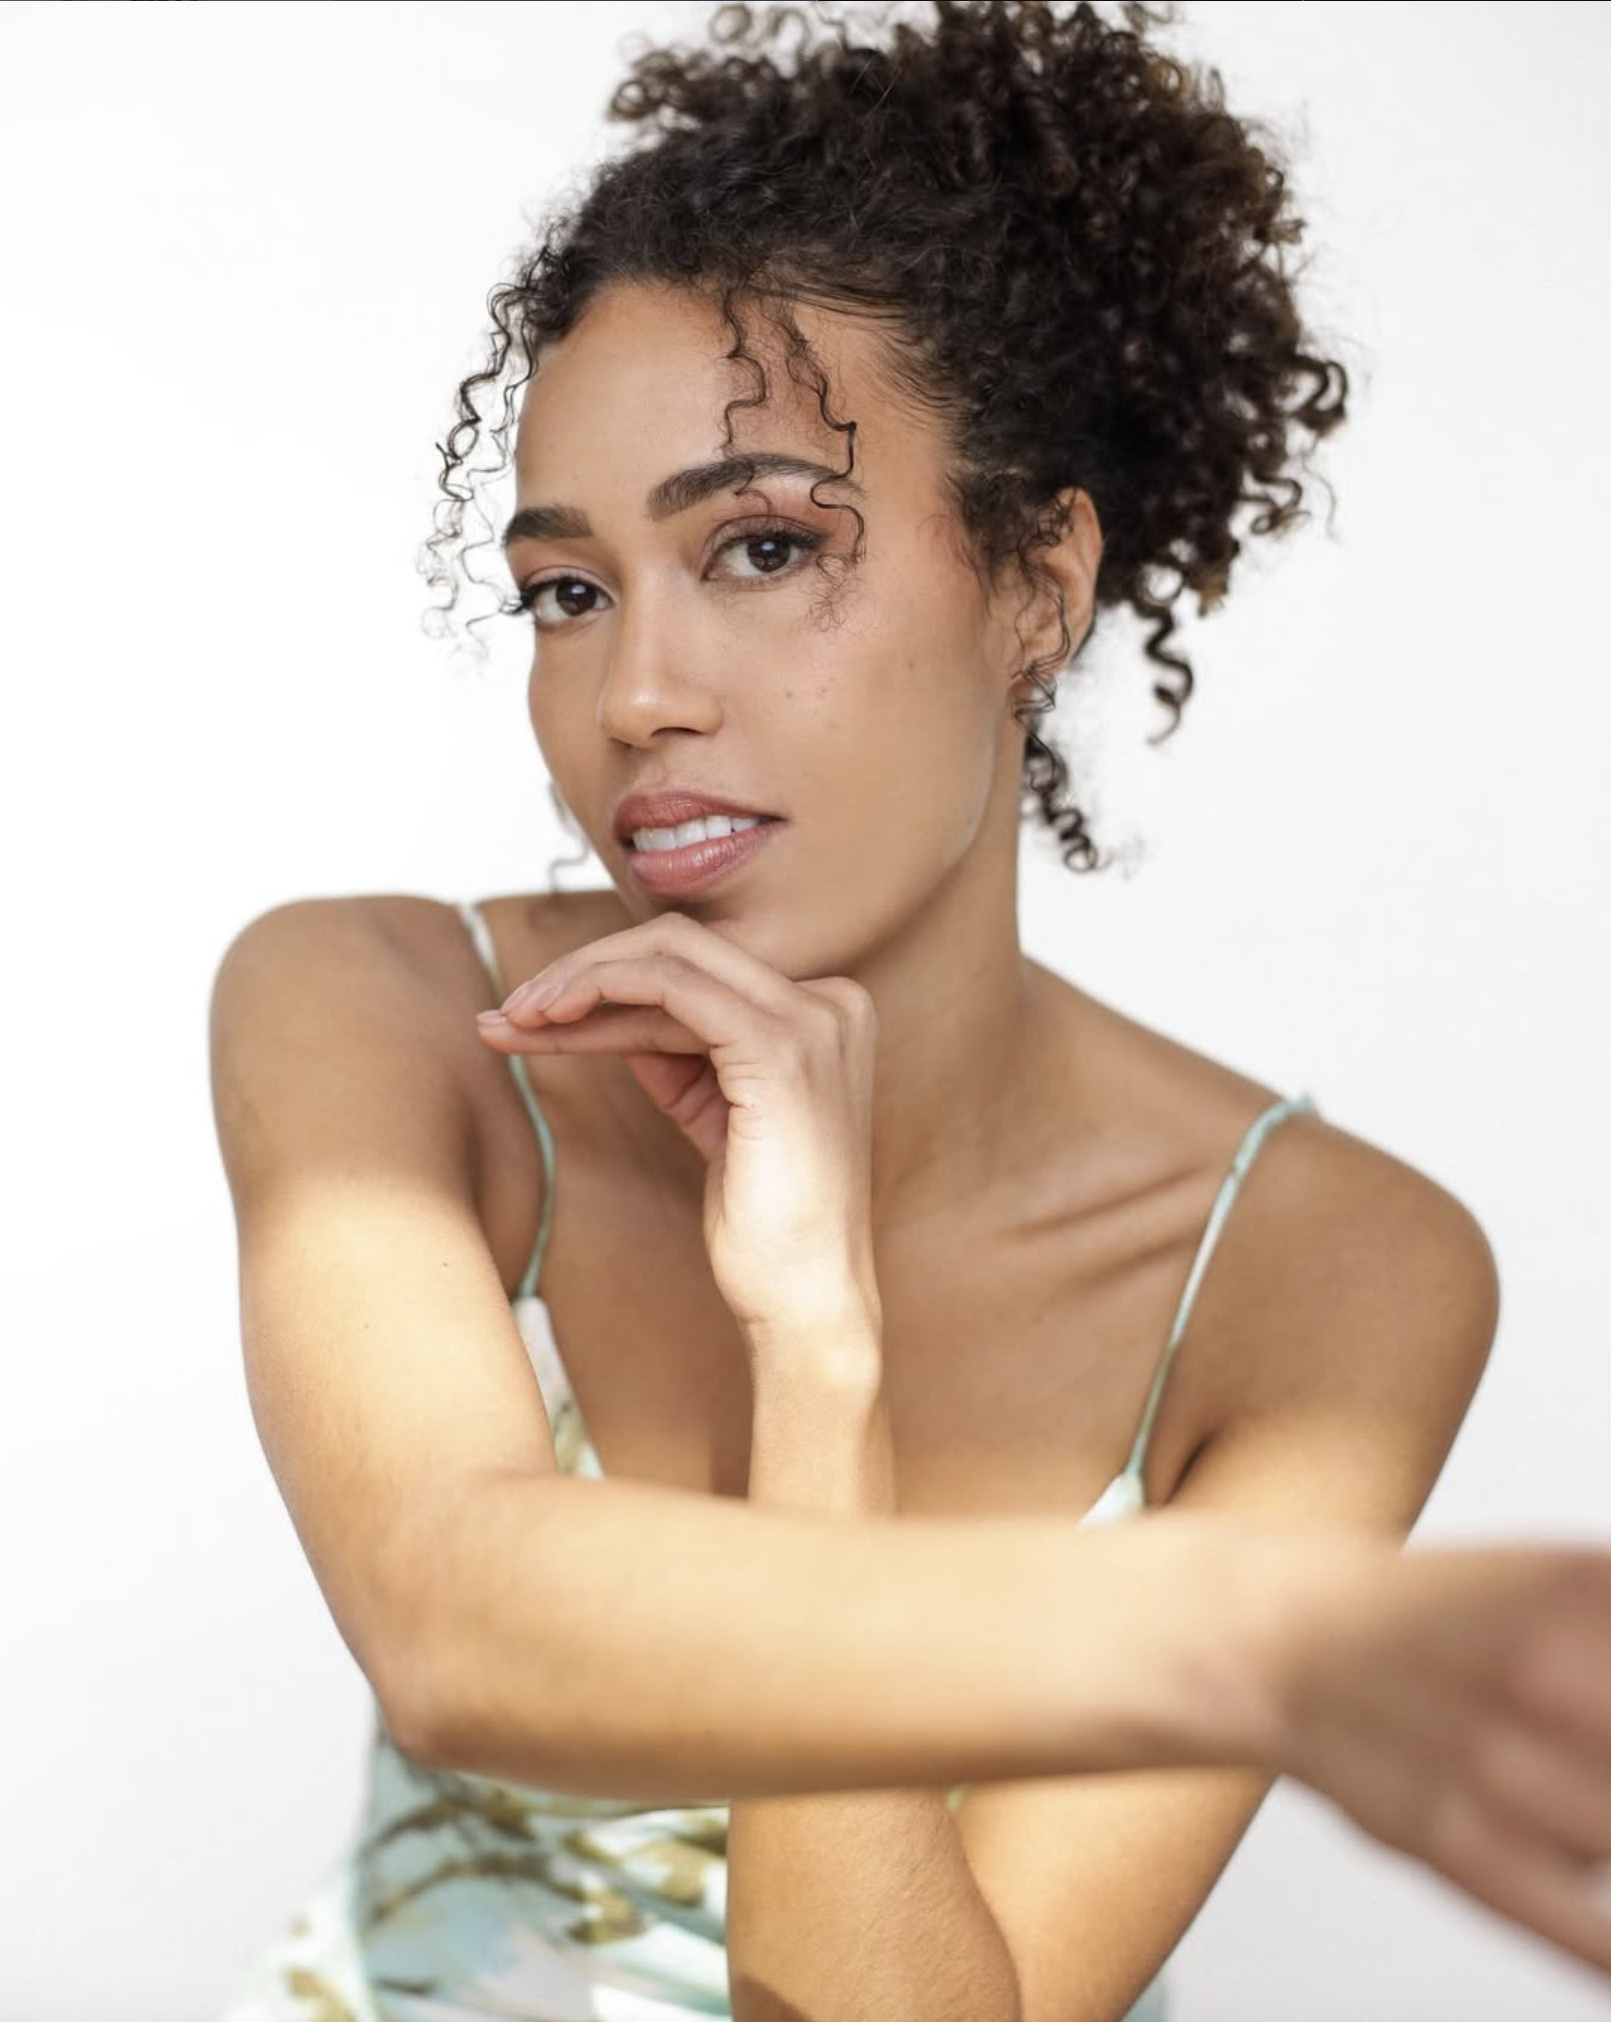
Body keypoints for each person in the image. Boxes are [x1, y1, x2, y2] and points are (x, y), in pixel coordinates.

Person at [207, 3, 1611, 2017]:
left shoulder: (1320, 1276)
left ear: (1035, 584)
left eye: (763, 547)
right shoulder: (383, 1017)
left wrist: (820, 1351)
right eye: (567, 590)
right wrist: (1228, 1640)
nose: (635, 699)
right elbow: (447, 1616)